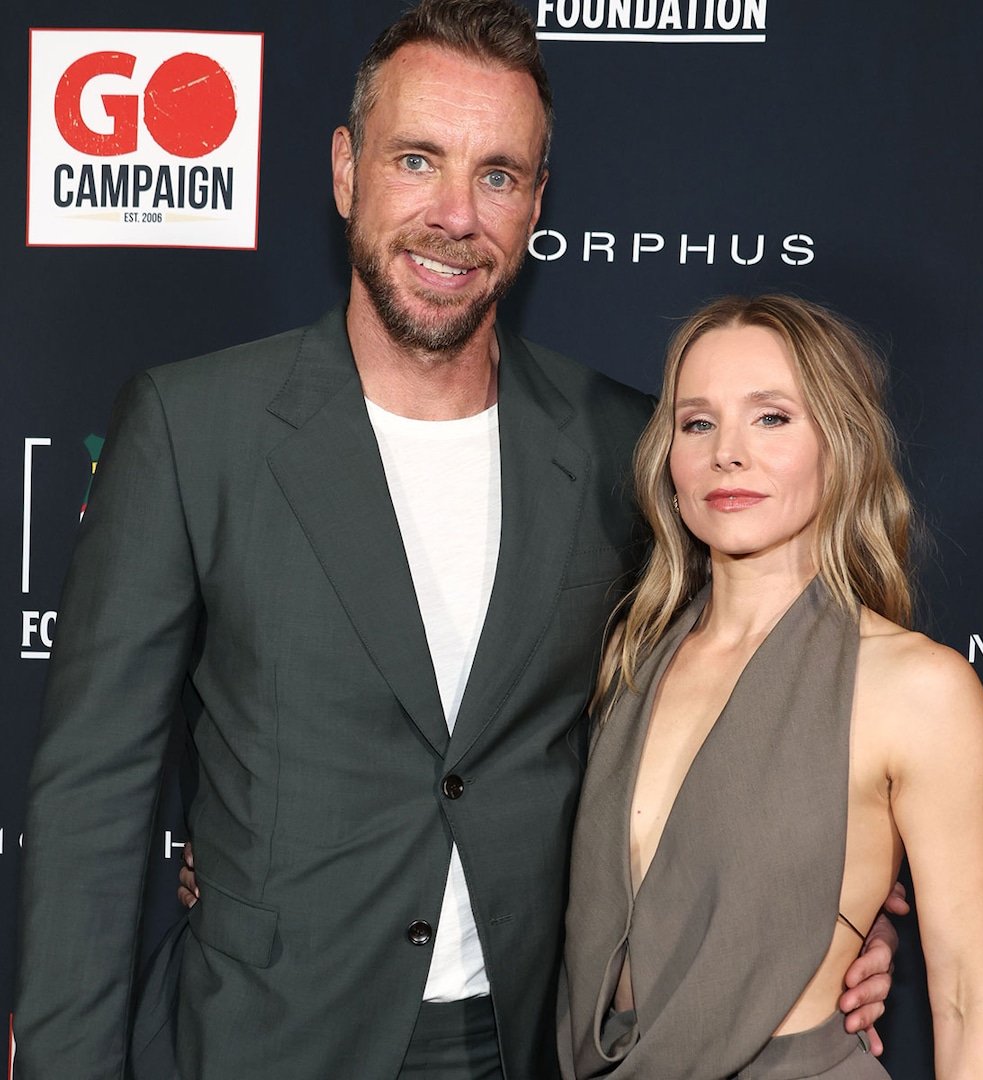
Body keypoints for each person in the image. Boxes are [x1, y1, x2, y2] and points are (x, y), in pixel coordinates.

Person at [14, 3, 896, 1077]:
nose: (455, 215)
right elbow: (95, 791)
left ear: (536, 204)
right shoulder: (195, 429)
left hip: (529, 1039)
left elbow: (749, 706)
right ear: (346, 172)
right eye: (417, 160)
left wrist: (850, 910)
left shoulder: (627, 444)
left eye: (498, 175)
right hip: (265, 1033)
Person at [556, 295, 983, 1079]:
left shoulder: (916, 689)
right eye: (697, 423)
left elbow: (972, 1002)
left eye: (771, 418)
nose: (727, 454)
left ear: (840, 444)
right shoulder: (626, 659)